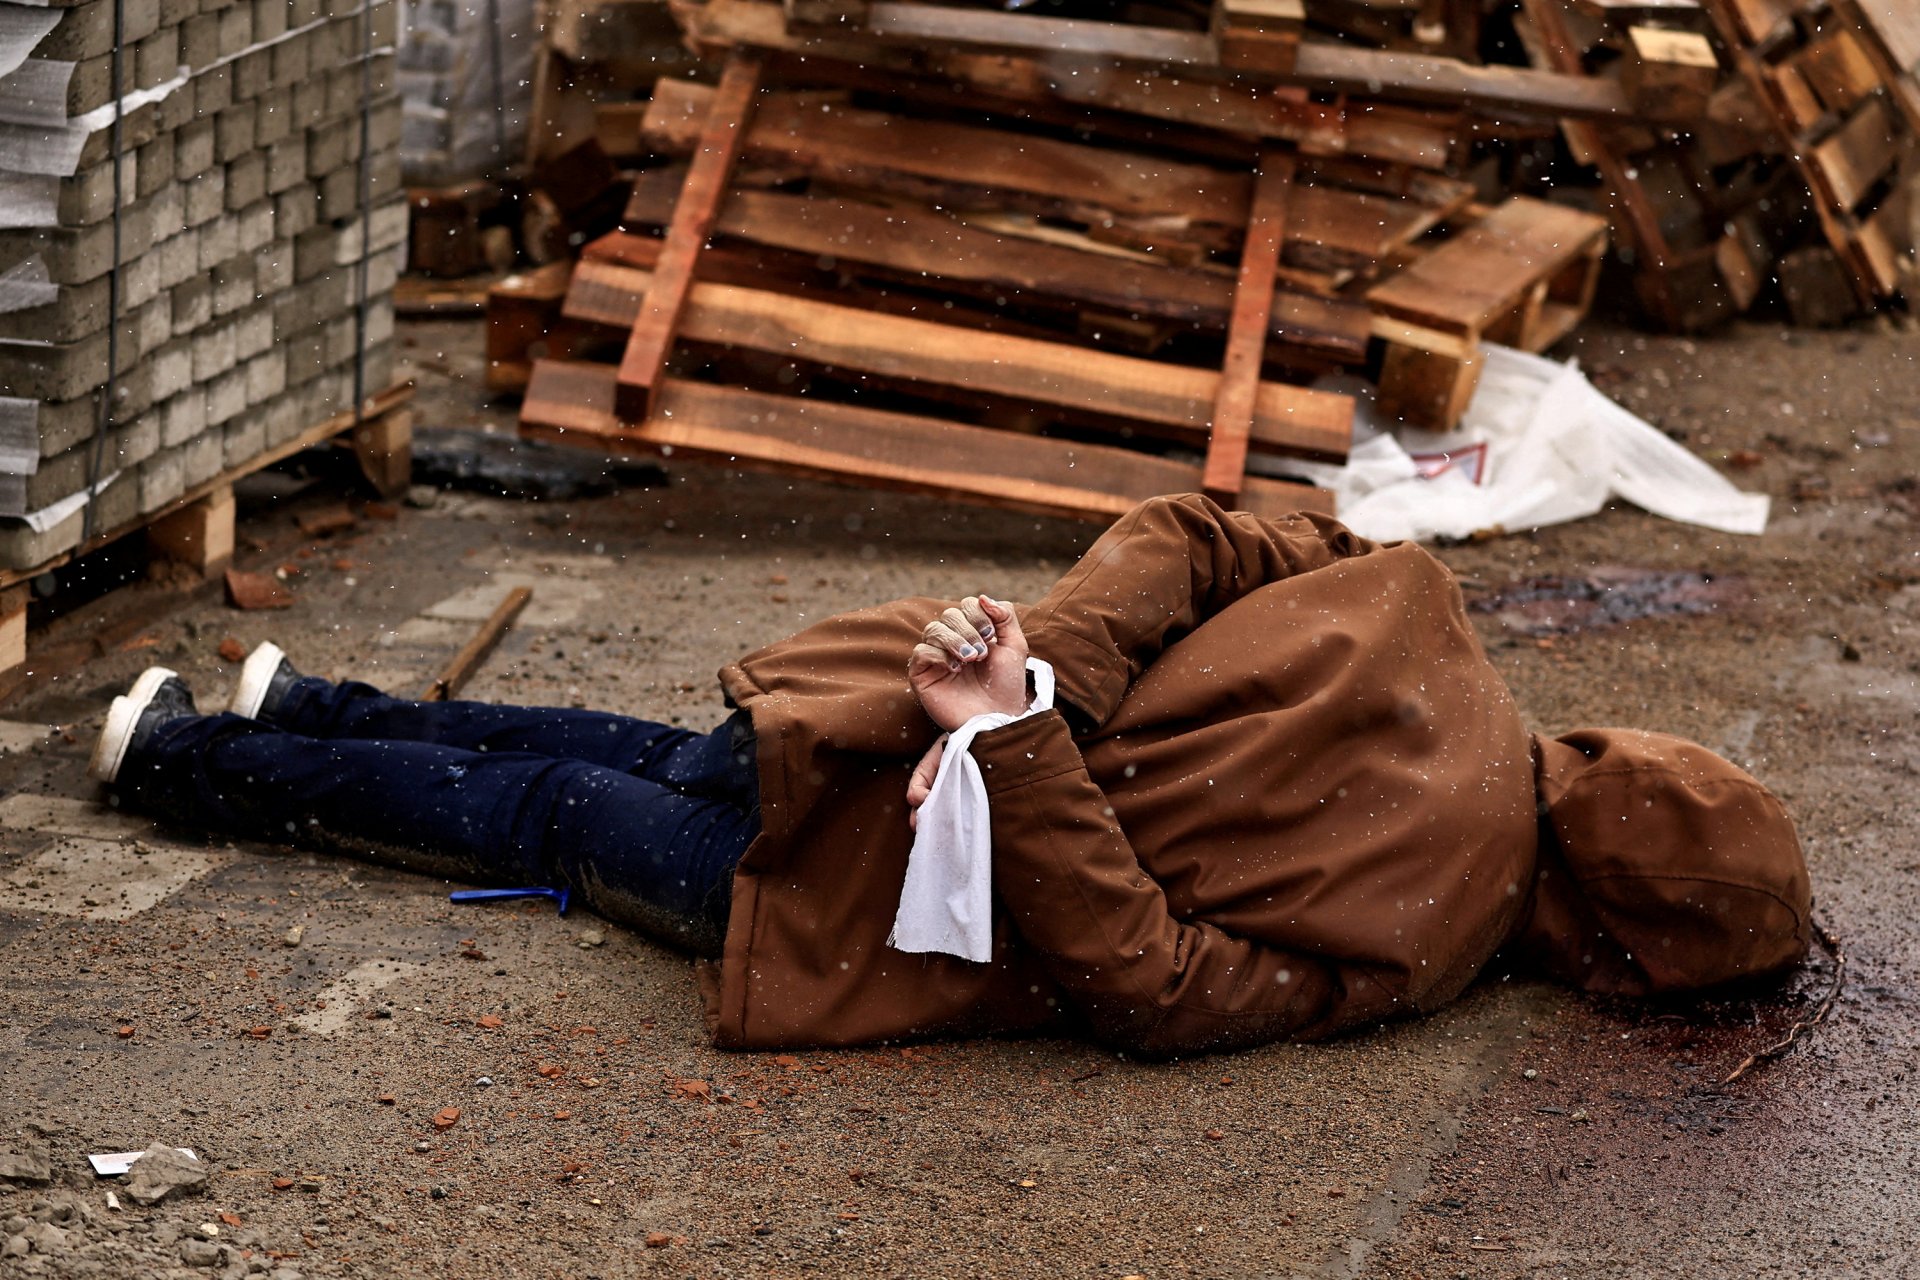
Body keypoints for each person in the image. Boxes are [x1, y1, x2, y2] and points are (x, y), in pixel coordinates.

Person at [90, 495, 1811, 1056]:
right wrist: (1028, 720)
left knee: (607, 754)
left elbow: (1200, 533)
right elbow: (1154, 984)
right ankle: (186, 759)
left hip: (882, 725)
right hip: (897, 899)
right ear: (1616, 942)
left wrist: (1028, 684)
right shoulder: (1432, 939)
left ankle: (287, 694)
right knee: (563, 814)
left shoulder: (1421, 608)